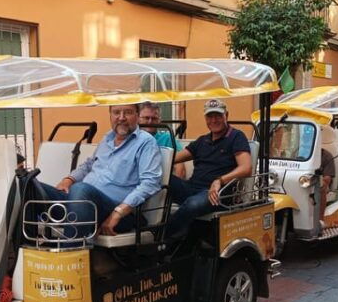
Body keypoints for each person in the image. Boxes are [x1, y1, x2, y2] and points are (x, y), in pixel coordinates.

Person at [40, 104, 162, 237]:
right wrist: (69, 179)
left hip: (115, 211)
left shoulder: (146, 142)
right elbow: (88, 165)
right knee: (28, 184)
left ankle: (71, 254)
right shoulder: (107, 138)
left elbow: (151, 183)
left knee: (81, 189)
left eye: (127, 112)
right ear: (110, 115)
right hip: (80, 203)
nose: (121, 118)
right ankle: (26, 252)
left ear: (137, 116)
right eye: (116, 112)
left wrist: (118, 212)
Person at [167, 99, 252, 238]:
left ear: (227, 115)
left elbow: (246, 168)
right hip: (193, 188)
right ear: (205, 118)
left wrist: (220, 180)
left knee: (193, 204)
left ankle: (162, 237)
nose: (214, 120)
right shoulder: (202, 140)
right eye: (210, 116)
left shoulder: (236, 137)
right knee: (159, 180)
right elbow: (173, 158)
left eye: (218, 115)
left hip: (217, 194)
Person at [139, 101, 186, 178]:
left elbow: (180, 167)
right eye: (146, 118)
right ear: (138, 118)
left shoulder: (167, 138)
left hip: (160, 184)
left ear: (159, 120)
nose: (150, 122)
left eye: (154, 118)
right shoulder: (131, 138)